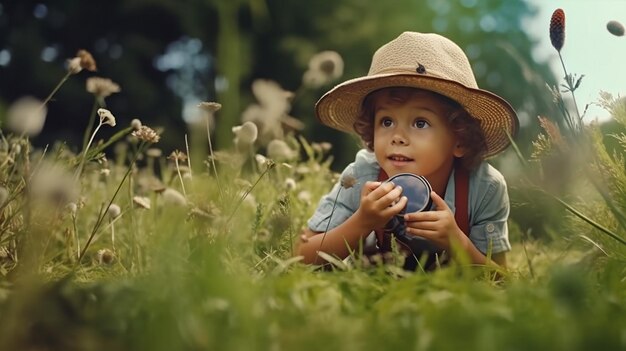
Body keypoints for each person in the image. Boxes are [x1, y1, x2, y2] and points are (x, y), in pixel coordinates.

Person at [296, 31, 519, 270]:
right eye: (386, 122)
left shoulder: (485, 187)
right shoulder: (363, 176)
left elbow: (500, 279)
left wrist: (457, 242)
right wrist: (361, 222)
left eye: (420, 123)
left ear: (460, 139)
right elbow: (300, 255)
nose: (398, 137)